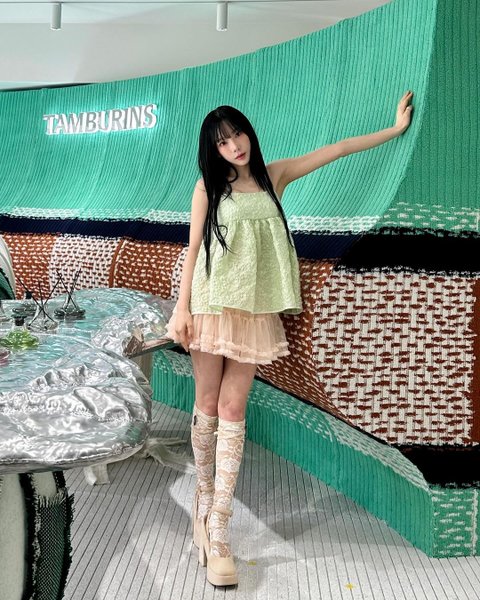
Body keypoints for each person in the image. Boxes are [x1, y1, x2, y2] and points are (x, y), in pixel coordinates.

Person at [165, 91, 414, 586]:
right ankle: (203, 500)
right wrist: (181, 308)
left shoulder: (273, 176)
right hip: (211, 306)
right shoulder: (207, 188)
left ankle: (219, 529)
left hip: (256, 310)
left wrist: (395, 129)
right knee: (208, 404)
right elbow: (193, 249)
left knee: (234, 409)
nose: (234, 146)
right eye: (222, 142)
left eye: (237, 134)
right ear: (213, 150)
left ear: (249, 133)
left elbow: (336, 149)